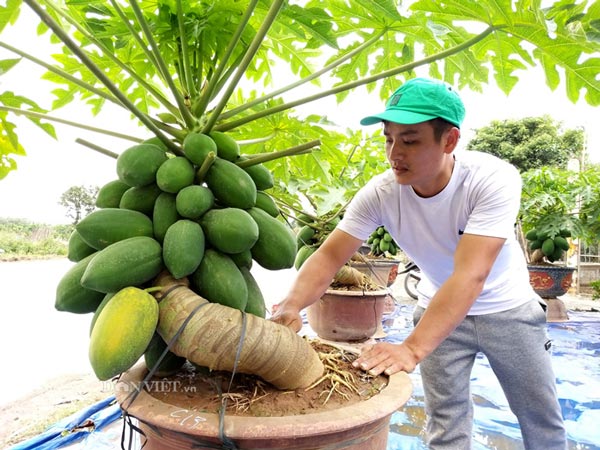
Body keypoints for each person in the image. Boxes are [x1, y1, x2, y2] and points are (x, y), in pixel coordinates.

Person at [270, 77, 567, 449]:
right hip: (435, 308)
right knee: (446, 422)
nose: (394, 153)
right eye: (388, 139)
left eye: (410, 141)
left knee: (541, 419)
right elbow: (330, 255)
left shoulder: (492, 180)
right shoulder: (381, 193)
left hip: (508, 311)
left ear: (450, 141)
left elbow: (471, 274)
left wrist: (410, 349)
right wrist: (292, 306)